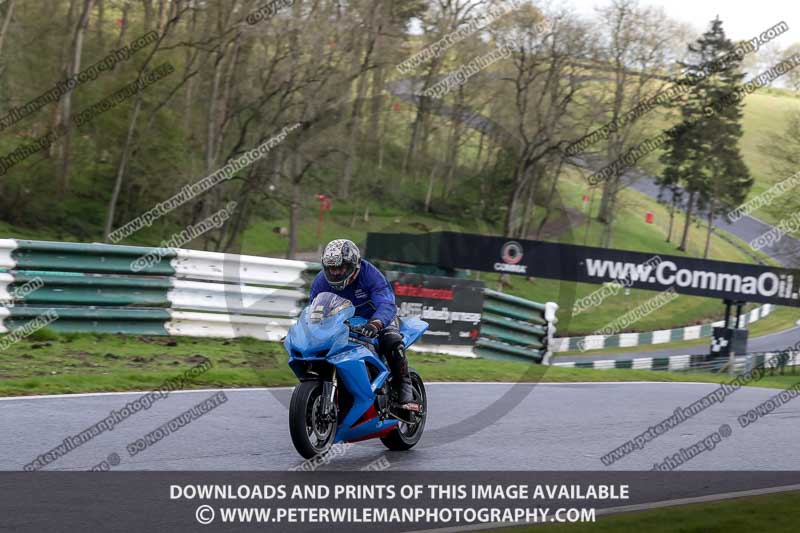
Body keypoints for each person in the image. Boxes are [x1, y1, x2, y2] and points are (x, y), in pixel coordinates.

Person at [309, 239, 419, 412]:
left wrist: (376, 323)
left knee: (392, 342)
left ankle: (405, 390)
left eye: (341, 268)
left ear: (354, 265)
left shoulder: (370, 275)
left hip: (376, 319)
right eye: (332, 268)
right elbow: (313, 310)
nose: (336, 273)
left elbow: (386, 303)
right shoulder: (321, 281)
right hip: (342, 323)